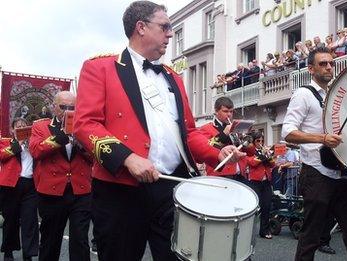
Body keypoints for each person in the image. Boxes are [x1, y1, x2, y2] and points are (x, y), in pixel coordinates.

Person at [73, 2, 243, 261]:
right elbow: (85, 124)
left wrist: (216, 154)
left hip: (171, 188)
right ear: (140, 27)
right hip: (121, 190)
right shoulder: (100, 68)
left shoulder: (173, 77)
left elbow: (187, 132)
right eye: (164, 27)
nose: (170, 34)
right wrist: (128, 158)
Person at [282, 47, 347, 261]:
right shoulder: (303, 94)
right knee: (311, 236)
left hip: (343, 172)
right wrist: (322, 138)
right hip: (316, 172)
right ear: (311, 68)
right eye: (323, 63)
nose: (329, 67)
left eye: (331, 63)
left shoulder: (338, 94)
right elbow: (287, 132)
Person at [29, 91, 92, 261]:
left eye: (72, 107)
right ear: (54, 107)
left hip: (80, 191)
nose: (67, 111)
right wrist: (60, 138)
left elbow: (95, 157)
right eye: (63, 107)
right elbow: (35, 151)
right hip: (52, 192)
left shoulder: (84, 127)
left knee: (80, 240)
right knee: (50, 240)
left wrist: (81, 144)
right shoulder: (41, 126)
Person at [0, 118, 39, 261]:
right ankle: (8, 251)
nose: (22, 128)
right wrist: (19, 144)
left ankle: (28, 253)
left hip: (30, 185)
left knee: (30, 220)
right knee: (11, 220)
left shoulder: (33, 144)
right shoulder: (6, 142)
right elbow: (2, 155)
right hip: (11, 185)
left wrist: (30, 144)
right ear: (12, 130)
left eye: (24, 126)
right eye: (18, 126)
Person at [199, 97, 247, 183]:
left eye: (231, 111)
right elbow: (208, 148)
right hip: (220, 175)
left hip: (239, 174)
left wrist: (245, 139)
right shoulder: (206, 128)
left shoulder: (235, 126)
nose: (229, 114)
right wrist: (224, 134)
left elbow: (249, 152)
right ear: (216, 111)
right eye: (225, 111)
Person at [245, 132, 275, 239]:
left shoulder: (264, 151)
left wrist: (269, 155)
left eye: (262, 141)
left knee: (266, 206)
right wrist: (263, 155)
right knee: (255, 208)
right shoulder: (250, 152)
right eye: (258, 141)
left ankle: (264, 230)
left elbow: (273, 164)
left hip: (266, 182)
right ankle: (249, 231)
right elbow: (252, 162)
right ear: (253, 142)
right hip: (255, 182)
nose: (260, 143)